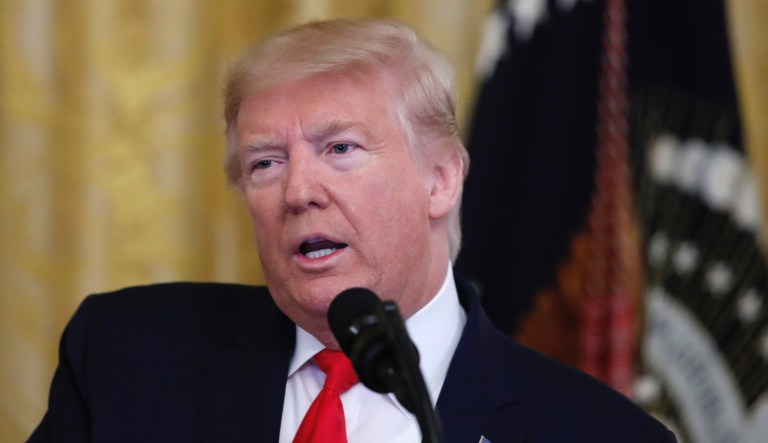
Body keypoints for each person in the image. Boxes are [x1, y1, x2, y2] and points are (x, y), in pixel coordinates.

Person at [29, 18, 676, 442]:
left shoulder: (597, 433)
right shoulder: (124, 358)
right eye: (265, 163)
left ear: (441, 180)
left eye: (340, 148)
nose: (298, 192)